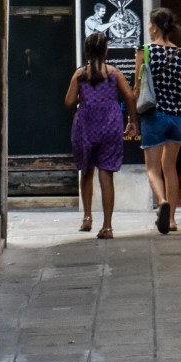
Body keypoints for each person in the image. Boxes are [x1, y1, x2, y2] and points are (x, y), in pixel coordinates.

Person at [133, 7, 181, 234]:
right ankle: (172, 219)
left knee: (152, 169)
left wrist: (132, 118)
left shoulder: (145, 51)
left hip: (154, 116)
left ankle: (162, 201)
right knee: (170, 168)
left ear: (154, 27)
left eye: (149, 24)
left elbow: (137, 88)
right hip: (178, 118)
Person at [65, 32, 137, 239]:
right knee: (106, 173)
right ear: (106, 51)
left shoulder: (80, 74)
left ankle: (87, 217)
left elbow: (69, 102)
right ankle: (107, 226)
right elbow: (130, 97)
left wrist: (83, 95)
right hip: (110, 127)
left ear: (87, 52)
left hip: (85, 127)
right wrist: (132, 121)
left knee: (86, 171)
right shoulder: (114, 73)